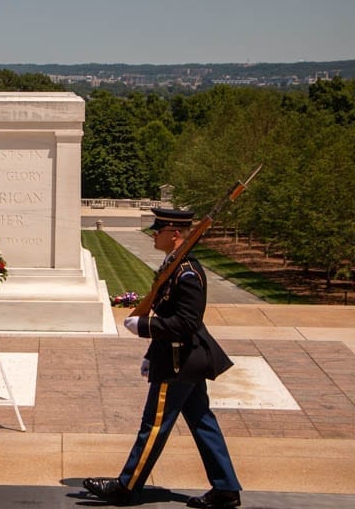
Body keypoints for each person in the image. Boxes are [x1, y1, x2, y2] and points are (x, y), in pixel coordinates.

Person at [83, 208, 241, 509]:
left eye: (159, 230)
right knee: (203, 422)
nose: (155, 234)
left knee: (154, 426)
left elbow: (186, 323)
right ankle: (226, 488)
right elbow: (170, 314)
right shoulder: (175, 267)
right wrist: (149, 353)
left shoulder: (188, 274)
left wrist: (145, 327)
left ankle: (126, 488)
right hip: (179, 358)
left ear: (176, 234)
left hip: (178, 363)